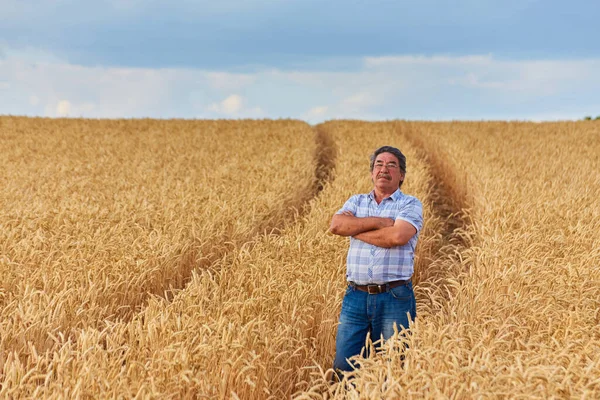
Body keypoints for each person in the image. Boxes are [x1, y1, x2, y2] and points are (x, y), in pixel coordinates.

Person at [329, 145, 423, 375]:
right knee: (344, 368)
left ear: (401, 175)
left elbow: (398, 236)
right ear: (372, 172)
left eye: (392, 165)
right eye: (379, 164)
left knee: (392, 368)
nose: (384, 169)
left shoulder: (410, 204)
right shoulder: (356, 201)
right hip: (355, 296)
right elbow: (337, 225)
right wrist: (380, 223)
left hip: (394, 297)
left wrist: (355, 230)